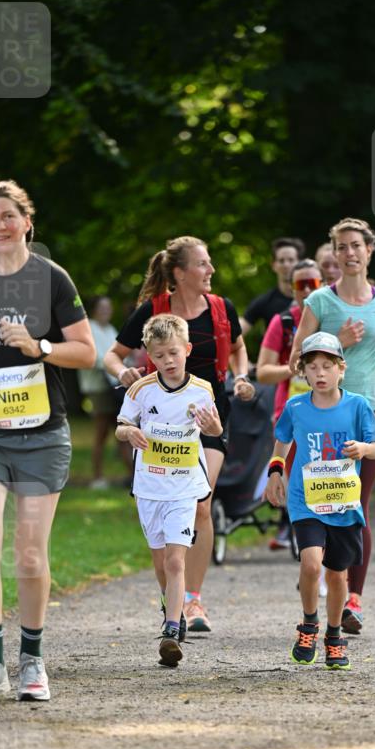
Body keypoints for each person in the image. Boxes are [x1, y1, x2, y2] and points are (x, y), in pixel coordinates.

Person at [0, 179, 95, 704]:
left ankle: (32, 660)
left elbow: (86, 351)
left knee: (30, 556)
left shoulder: (51, 278)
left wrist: (40, 345)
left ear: (27, 221)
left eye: (8, 215)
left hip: (42, 436)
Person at [104, 235, 254, 633]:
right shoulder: (154, 313)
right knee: (164, 520)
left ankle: (192, 600)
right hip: (159, 422)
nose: (211, 270)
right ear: (179, 272)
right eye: (203, 264)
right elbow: (112, 354)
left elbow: (239, 349)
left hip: (207, 416)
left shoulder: (222, 308)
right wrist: (123, 373)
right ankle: (172, 590)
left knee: (202, 503)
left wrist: (241, 377)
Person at [289, 217, 375, 633]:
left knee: (359, 504)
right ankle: (318, 572)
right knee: (325, 498)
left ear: (369, 250)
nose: (350, 253)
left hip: (370, 410)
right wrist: (338, 339)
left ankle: (353, 599)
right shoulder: (320, 302)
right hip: (324, 412)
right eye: (342, 247)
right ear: (334, 254)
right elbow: (293, 361)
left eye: (356, 245)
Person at [265, 332, 375, 669]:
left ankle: (333, 636)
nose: (319, 373)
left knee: (336, 575)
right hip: (306, 501)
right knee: (311, 564)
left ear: (341, 369)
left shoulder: (357, 405)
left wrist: (363, 449)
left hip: (343, 503)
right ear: (302, 372)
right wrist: (275, 472)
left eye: (327, 366)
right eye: (312, 367)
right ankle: (309, 624)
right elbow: (282, 442)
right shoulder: (296, 407)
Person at [116, 313, 222, 667]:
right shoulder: (141, 390)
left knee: (177, 559)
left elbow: (215, 429)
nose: (168, 362)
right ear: (150, 356)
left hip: (184, 486)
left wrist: (211, 425)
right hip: (149, 486)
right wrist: (129, 433)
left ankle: (171, 630)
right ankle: (170, 605)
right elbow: (121, 426)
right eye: (160, 356)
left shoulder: (202, 389)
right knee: (161, 559)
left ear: (187, 350)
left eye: (174, 354)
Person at [257, 258, 322, 551]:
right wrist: (294, 369)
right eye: (300, 284)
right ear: (291, 288)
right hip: (292, 413)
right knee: (299, 483)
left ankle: (325, 556)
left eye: (313, 283)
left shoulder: (334, 317)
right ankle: (308, 550)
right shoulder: (283, 322)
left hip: (332, 413)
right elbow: (263, 372)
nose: (307, 290)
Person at [77, 295, 131, 489]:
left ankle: (131, 475)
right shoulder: (89, 328)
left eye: (108, 308)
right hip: (98, 388)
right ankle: (97, 477)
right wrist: (117, 368)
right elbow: (97, 358)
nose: (106, 311)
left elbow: (119, 354)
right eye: (102, 308)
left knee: (121, 431)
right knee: (102, 432)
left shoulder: (110, 330)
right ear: (94, 310)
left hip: (114, 386)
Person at [240, 236, 306, 336]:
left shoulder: (314, 298)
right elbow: (238, 330)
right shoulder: (265, 301)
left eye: (291, 260)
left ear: (300, 263)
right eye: (281, 260)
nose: (286, 265)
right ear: (274, 265)